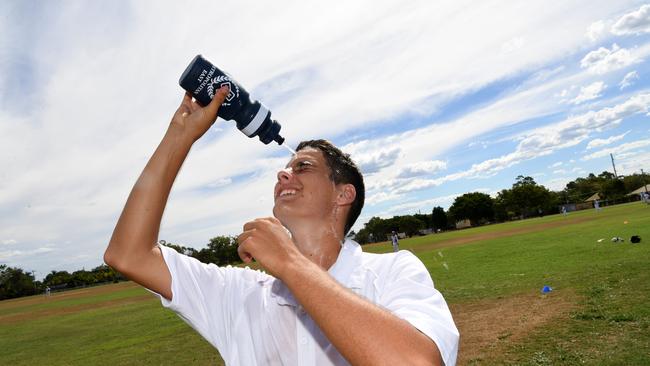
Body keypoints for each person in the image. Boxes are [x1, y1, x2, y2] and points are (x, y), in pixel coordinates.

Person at [104, 86, 459, 365]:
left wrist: (289, 262)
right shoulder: (241, 293)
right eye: (285, 169)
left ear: (343, 194)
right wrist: (179, 136)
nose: (284, 173)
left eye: (303, 166)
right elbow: (128, 254)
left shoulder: (393, 272)